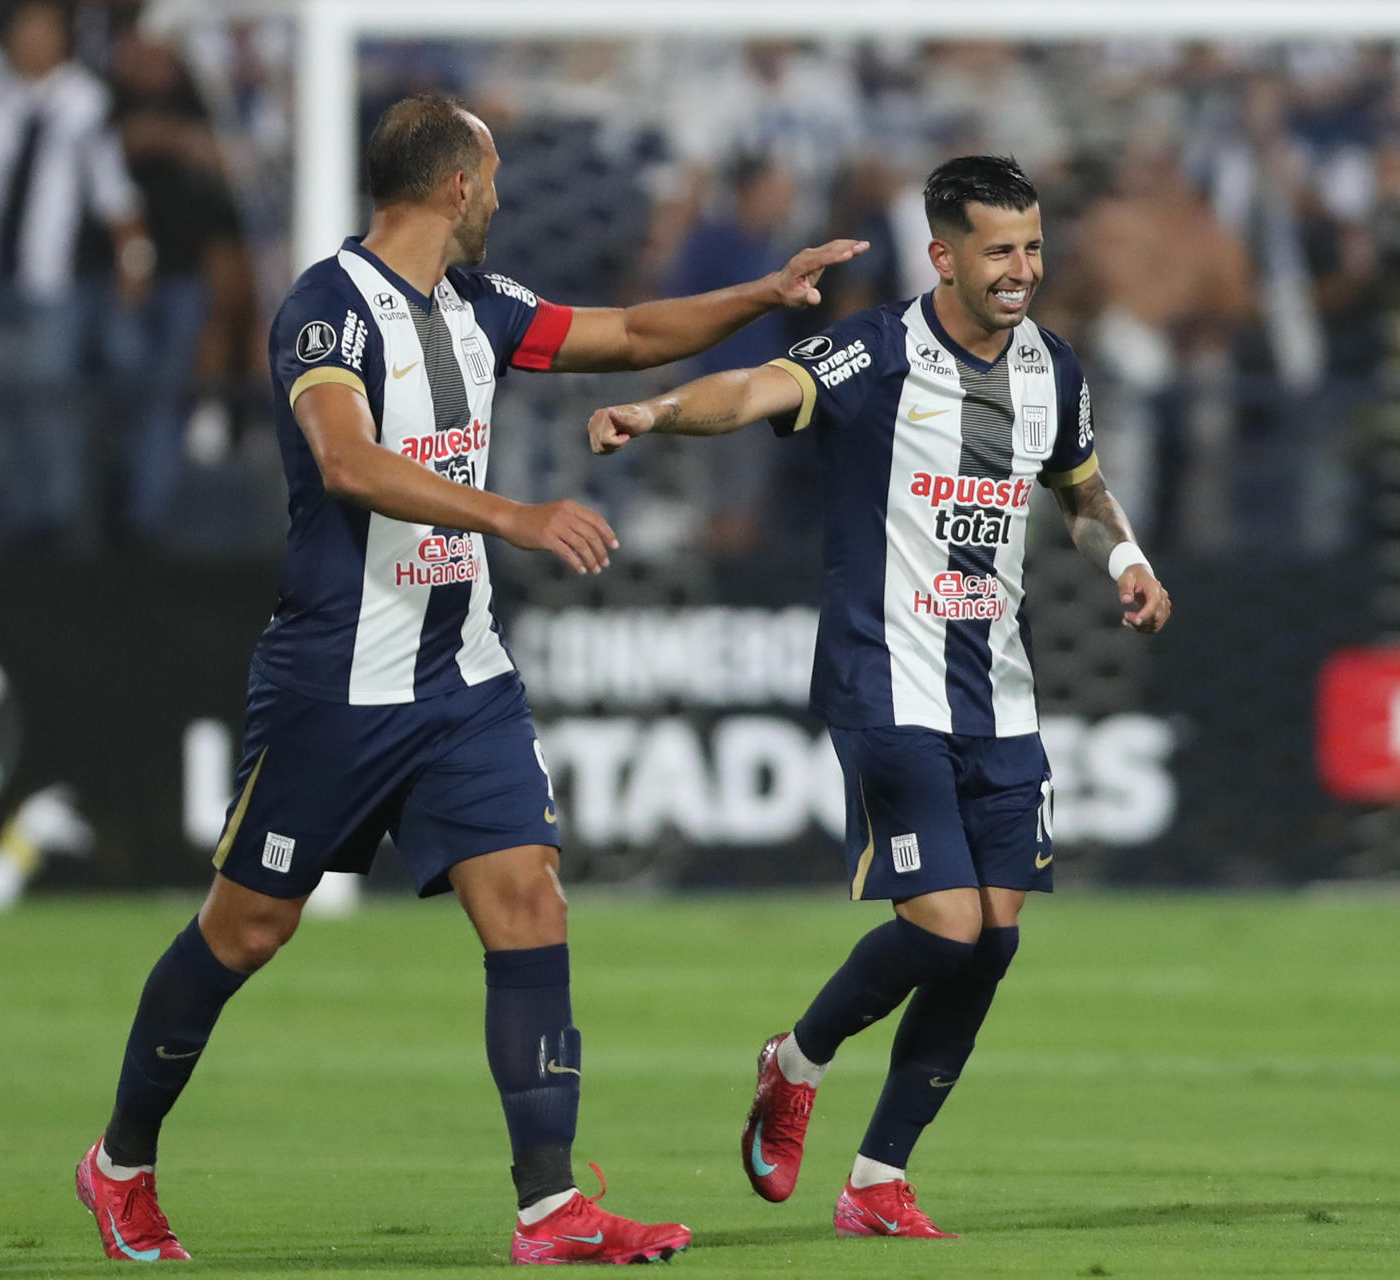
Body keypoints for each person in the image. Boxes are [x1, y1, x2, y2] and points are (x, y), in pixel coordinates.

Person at [72, 93, 863, 1267]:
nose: (497, 197)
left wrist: (763, 294)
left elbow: (635, 334)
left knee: (529, 896)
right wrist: (516, 515)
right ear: (454, 187)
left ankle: (550, 1207)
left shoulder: (478, 307)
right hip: (338, 679)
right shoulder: (327, 310)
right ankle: (119, 1162)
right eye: (489, 177)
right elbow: (346, 458)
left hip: (460, 676)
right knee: (245, 930)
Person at [586, 155, 1171, 1238]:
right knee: (944, 926)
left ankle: (876, 1179)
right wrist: (659, 409)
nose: (1022, 269)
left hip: (997, 686)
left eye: (1033, 245)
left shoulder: (1057, 368)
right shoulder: (877, 348)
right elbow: (760, 388)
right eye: (999, 249)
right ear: (943, 254)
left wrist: (1122, 555)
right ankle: (796, 1056)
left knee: (993, 937)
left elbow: (1079, 486)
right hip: (884, 674)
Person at [0, 0, 149, 542]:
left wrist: (133, 266)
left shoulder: (83, 102)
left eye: (41, 28)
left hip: (48, 287)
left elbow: (115, 196)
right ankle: (16, 523)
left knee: (50, 408)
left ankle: (60, 528)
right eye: (23, 27)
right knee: (0, 407)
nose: (28, 38)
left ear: (63, 38)